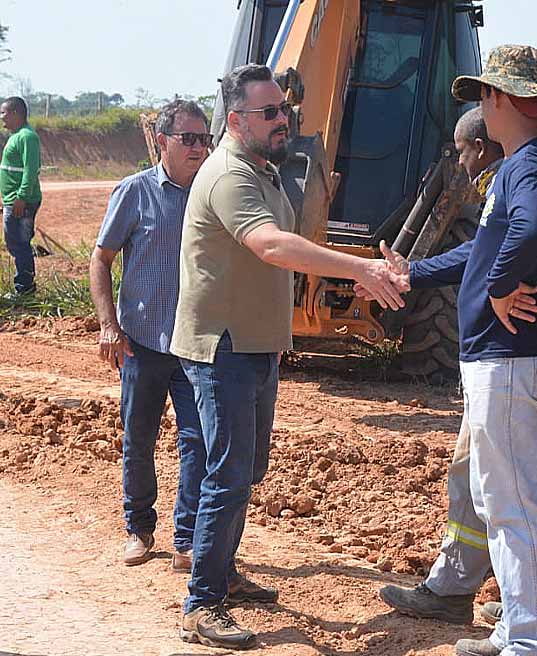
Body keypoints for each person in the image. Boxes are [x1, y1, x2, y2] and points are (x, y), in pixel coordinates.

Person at [171, 63, 409, 650]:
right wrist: (359, 267)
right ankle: (202, 604)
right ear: (236, 120)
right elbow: (271, 244)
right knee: (227, 472)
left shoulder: (264, 171)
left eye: (285, 111)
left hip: (254, 345)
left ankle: (220, 572)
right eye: (270, 113)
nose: (284, 121)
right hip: (222, 347)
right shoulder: (230, 175)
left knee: (245, 469)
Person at [364, 46, 537, 656]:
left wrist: (502, 284)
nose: (482, 107)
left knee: (514, 502)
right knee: (505, 494)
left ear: (501, 99)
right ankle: (517, 627)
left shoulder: (527, 168)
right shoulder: (531, 163)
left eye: (485, 95)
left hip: (511, 359)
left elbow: (529, 232)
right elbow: (482, 249)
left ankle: (532, 642)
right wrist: (414, 273)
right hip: (518, 356)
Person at [90, 99, 211, 571]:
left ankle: (185, 539)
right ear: (162, 142)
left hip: (194, 345)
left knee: (196, 442)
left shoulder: (212, 193)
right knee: (138, 440)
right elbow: (100, 259)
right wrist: (107, 326)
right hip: (140, 342)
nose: (199, 148)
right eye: (189, 139)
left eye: (205, 139)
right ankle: (138, 528)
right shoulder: (134, 192)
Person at [0, 96, 42, 295]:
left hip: (21, 202)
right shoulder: (16, 135)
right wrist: (6, 200)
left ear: (15, 113)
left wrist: (21, 198)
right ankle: (24, 286)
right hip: (13, 200)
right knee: (15, 242)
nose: (1, 118)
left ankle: (25, 289)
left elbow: (30, 170)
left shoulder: (27, 137)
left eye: (4, 113)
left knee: (20, 244)